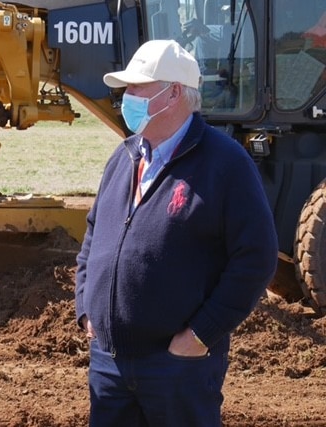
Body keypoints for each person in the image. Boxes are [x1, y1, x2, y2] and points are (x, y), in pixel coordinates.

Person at [74, 39, 278, 427]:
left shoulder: (224, 163)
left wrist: (201, 335)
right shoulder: (124, 155)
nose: (126, 97)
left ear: (173, 93)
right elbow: (93, 236)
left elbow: (257, 257)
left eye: (137, 88)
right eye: (126, 88)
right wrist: (87, 310)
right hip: (110, 363)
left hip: (177, 366)